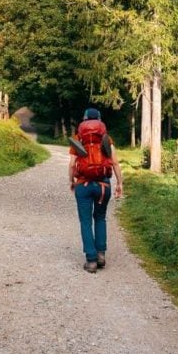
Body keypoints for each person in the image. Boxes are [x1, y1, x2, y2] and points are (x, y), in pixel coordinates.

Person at [68, 107, 123, 273]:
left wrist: (71, 180)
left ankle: (91, 261)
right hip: (103, 185)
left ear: (84, 120)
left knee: (85, 221)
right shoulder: (106, 139)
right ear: (100, 121)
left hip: (83, 185)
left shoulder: (78, 139)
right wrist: (120, 183)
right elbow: (114, 162)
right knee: (100, 218)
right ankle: (101, 255)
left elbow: (72, 164)